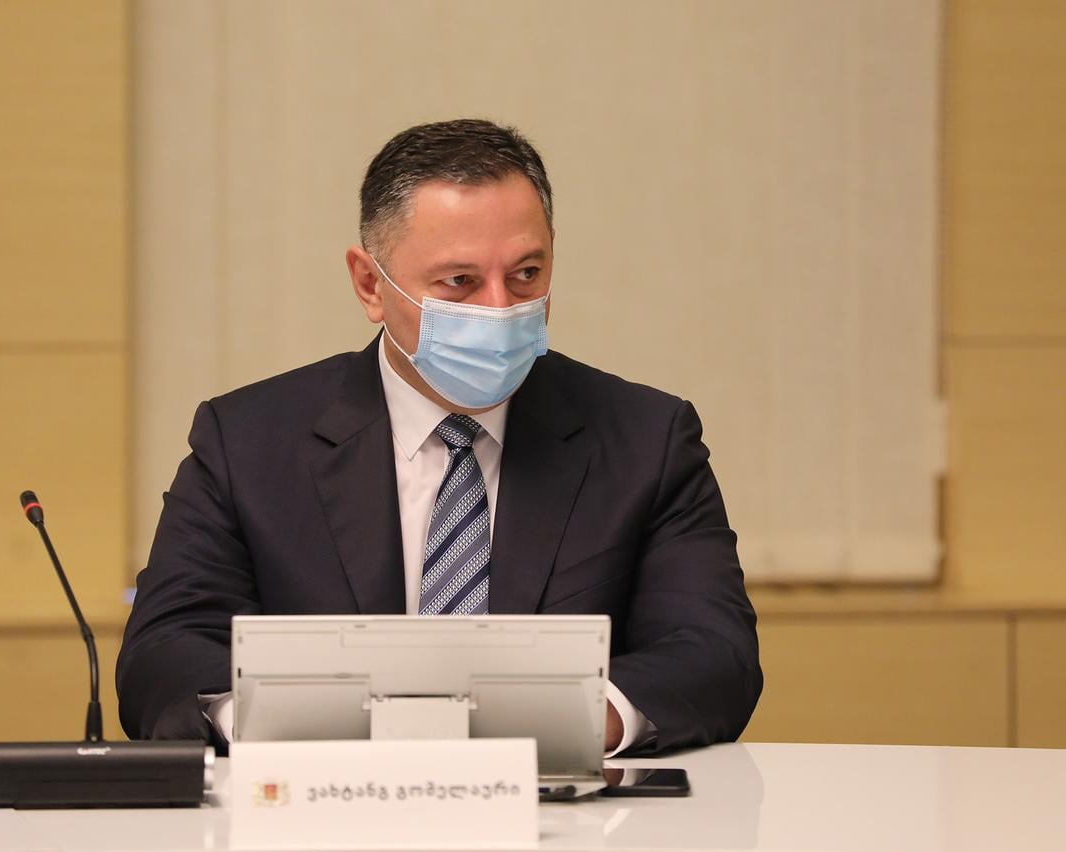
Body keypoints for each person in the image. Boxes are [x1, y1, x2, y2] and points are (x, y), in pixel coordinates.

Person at [118, 119, 762, 756]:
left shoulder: (647, 440)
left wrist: (572, 720)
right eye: (459, 282)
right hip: (320, 796)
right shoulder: (249, 442)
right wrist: (280, 721)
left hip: (565, 800)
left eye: (526, 274)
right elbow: (164, 651)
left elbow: (713, 652)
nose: (499, 308)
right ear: (370, 285)